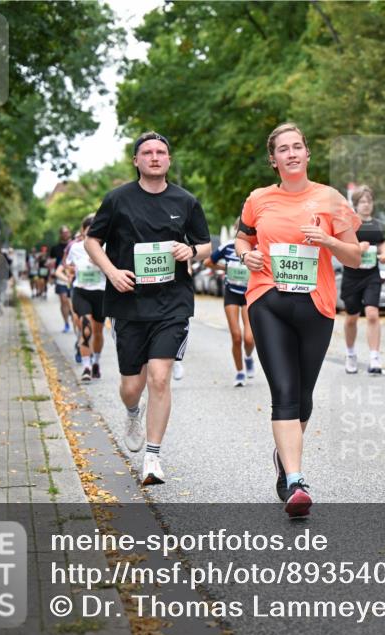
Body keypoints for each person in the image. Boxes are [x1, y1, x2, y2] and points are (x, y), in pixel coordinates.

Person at [235, 122, 361, 518]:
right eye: (282, 150)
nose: (291, 154)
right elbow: (243, 238)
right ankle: (295, 481)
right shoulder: (258, 199)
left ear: (307, 154)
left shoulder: (331, 199)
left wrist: (330, 242)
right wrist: (245, 256)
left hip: (316, 306)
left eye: (297, 147)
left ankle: (283, 458)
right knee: (285, 393)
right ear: (273, 160)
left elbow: (355, 257)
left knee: (303, 399)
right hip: (267, 298)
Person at [85, 131, 211, 486]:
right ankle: (131, 412)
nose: (155, 157)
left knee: (159, 377)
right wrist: (111, 271)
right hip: (128, 303)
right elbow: (92, 240)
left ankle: (153, 458)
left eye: (161, 152)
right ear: (136, 161)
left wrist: (192, 252)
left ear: (169, 160)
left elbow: (205, 246)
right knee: (131, 385)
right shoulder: (118, 200)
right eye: (147, 152)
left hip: (172, 303)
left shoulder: (186, 201)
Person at [340, 185, 385, 374]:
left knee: (372, 314)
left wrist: (384, 254)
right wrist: (357, 249)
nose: (366, 205)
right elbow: (341, 248)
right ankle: (350, 354)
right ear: (356, 204)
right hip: (352, 276)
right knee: (352, 317)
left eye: (369, 201)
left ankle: (375, 357)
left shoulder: (377, 224)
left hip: (371, 276)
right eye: (362, 202)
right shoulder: (349, 225)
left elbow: (383, 243)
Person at [58, 215, 106, 383]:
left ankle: (96, 362)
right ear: (83, 231)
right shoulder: (76, 248)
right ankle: (86, 367)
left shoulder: (107, 247)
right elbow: (67, 264)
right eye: (88, 231)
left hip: (100, 292)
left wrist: (99, 262)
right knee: (85, 328)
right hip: (81, 291)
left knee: (98, 332)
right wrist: (71, 271)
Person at [205, 236, 256, 386]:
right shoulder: (228, 246)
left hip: (249, 294)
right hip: (232, 294)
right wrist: (225, 267)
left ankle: (248, 357)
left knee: (248, 338)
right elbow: (207, 262)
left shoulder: (257, 246)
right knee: (236, 336)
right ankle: (240, 372)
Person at [50, 226, 74, 333]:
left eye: (67, 232)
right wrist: (51, 275)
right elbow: (51, 263)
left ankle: (74, 318)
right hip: (61, 276)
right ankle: (66, 323)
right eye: (63, 232)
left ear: (70, 233)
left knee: (72, 303)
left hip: (73, 277)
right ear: (60, 234)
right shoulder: (55, 248)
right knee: (64, 300)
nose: (65, 234)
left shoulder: (75, 245)